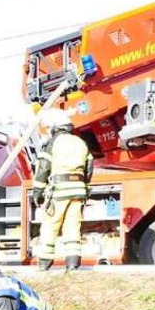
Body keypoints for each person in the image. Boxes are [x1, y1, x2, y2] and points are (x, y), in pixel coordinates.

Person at [31, 107, 94, 271]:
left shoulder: (53, 143)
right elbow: (89, 167)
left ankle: (44, 264)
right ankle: (72, 264)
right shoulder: (80, 143)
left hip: (59, 190)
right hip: (78, 190)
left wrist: (37, 191)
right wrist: (84, 185)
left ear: (54, 127)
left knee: (51, 225)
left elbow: (43, 168)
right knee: (73, 226)